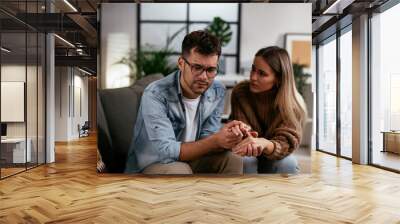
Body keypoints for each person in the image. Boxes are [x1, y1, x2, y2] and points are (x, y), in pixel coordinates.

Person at [125, 30, 250, 174]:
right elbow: (167, 151)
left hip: (191, 159)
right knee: (180, 170)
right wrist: (216, 140)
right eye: (197, 68)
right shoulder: (155, 94)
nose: (204, 77)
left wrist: (230, 135)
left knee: (233, 158)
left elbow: (207, 138)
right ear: (181, 63)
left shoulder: (217, 91)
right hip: (152, 164)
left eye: (211, 70)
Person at [230, 46, 306, 174]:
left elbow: (285, 144)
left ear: (278, 79)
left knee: (288, 163)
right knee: (246, 160)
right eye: (253, 70)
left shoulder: (292, 104)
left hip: (274, 154)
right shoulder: (240, 92)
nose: (253, 77)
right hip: (248, 152)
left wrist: (265, 143)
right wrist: (240, 131)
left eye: (262, 74)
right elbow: (242, 137)